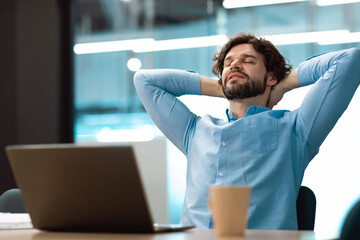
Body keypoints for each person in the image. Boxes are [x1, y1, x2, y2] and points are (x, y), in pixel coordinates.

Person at [133, 33, 360, 230]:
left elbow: (349, 60)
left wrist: (283, 85)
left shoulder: (297, 128)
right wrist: (222, 86)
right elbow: (144, 81)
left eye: (247, 61)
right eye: (228, 63)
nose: (234, 65)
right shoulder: (195, 130)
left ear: (270, 76)